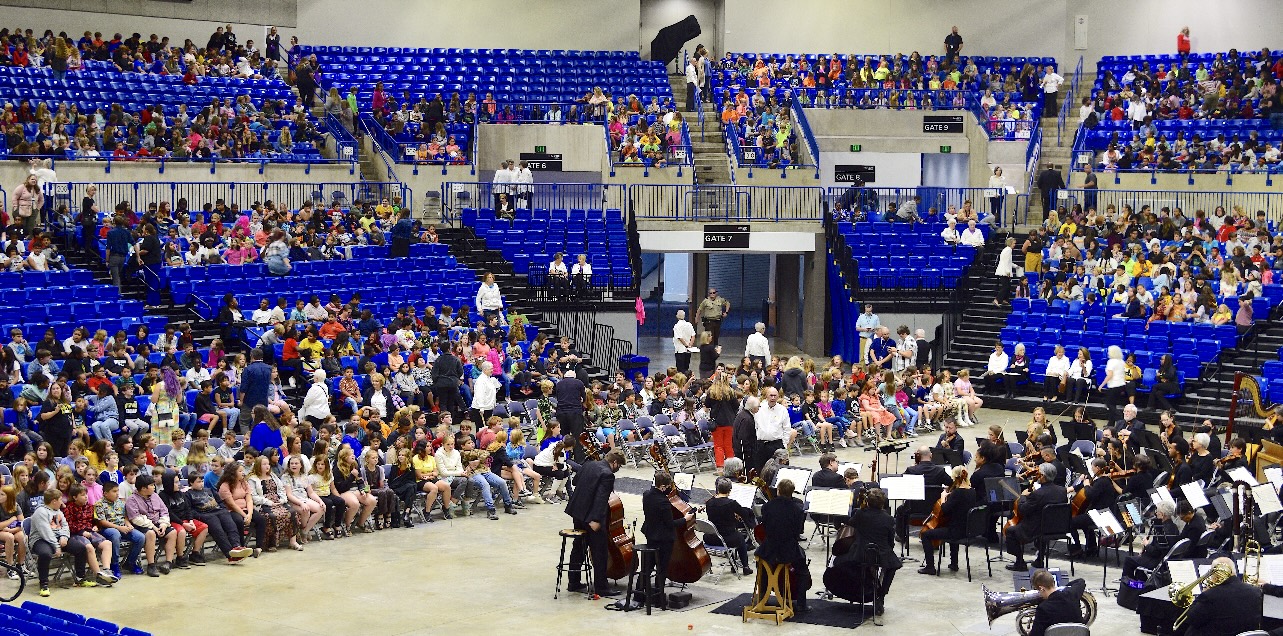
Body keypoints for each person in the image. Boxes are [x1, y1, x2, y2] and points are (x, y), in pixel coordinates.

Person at [564, 448, 625, 597]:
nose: (618, 469)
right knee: (600, 552)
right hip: (591, 516)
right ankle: (601, 587)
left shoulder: (589, 465)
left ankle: (573, 582)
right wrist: (596, 520)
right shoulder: (607, 475)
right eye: (619, 466)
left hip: (577, 511)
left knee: (579, 547)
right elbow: (601, 498)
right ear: (614, 462)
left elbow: (577, 481)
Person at [833, 486, 898, 615]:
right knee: (892, 567)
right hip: (881, 554)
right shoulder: (889, 519)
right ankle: (881, 595)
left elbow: (850, 524)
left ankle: (855, 590)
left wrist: (860, 508)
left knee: (838, 561)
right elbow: (891, 541)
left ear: (868, 502)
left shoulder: (860, 514)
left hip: (861, 554)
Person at [639, 471, 694, 608]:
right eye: (668, 486)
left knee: (647, 566)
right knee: (662, 568)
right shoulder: (663, 502)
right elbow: (670, 524)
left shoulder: (647, 495)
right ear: (663, 486)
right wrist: (685, 519)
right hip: (663, 538)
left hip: (650, 534)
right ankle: (658, 598)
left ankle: (639, 594)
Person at [755, 478, 811, 611]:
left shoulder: (767, 506)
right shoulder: (797, 510)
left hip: (769, 548)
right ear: (792, 492)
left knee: (762, 567)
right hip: (788, 549)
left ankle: (762, 597)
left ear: (778, 491)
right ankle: (802, 604)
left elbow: (766, 526)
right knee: (803, 571)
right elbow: (797, 533)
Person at [1004, 463, 1068, 570]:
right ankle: (1039, 559)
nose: (1036, 476)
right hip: (1057, 527)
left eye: (1038, 474)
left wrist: (1023, 497)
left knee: (1010, 531)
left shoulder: (1038, 494)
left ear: (1042, 476)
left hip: (1037, 528)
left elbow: (1023, 510)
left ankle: (1020, 562)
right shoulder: (1062, 491)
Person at [1182, 556, 1263, 635]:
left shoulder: (1210, 596)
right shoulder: (1255, 591)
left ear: (1215, 574)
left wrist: (1201, 595)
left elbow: (1191, 619)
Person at [703, 477, 756, 575]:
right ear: (730, 490)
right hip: (727, 538)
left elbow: (717, 516)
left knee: (731, 536)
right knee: (740, 538)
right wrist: (736, 514)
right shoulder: (731, 503)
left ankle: (733, 564)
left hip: (711, 538)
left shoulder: (709, 503)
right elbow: (744, 514)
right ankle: (745, 567)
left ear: (718, 489)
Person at [1067, 458, 1116, 558]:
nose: (1092, 470)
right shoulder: (1104, 480)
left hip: (1100, 515)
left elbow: (1090, 496)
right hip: (1100, 513)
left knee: (1070, 522)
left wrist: (1086, 486)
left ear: (1097, 468)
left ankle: (1076, 549)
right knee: (1083, 520)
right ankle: (1091, 547)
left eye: (1092, 467)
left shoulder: (1101, 482)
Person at [1027, 569, 1088, 636]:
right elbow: (1081, 581)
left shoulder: (1043, 608)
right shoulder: (1072, 594)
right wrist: (1064, 588)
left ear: (1042, 588)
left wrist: (1030, 632)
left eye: (1038, 590)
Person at [753, 388, 790, 472]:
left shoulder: (782, 410)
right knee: (760, 470)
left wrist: (784, 444)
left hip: (776, 444)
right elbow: (755, 425)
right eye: (771, 395)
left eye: (775, 396)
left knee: (780, 470)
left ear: (778, 397)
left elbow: (787, 428)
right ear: (766, 396)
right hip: (761, 445)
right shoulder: (759, 408)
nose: (773, 398)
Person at [672, 310, 696, 376]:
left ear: (677, 316)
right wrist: (690, 345)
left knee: (680, 369)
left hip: (680, 350)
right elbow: (693, 335)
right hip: (688, 350)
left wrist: (686, 345)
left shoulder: (677, 326)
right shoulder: (689, 324)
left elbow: (679, 337)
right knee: (686, 367)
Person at [995, 237, 1016, 305]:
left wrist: (1016, 266)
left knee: (1008, 286)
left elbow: (1009, 262)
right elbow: (1006, 262)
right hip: (1004, 272)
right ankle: (997, 300)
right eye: (1014, 243)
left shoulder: (1007, 249)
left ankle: (1005, 299)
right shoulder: (1008, 250)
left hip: (1004, 271)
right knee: (1005, 287)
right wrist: (1008, 272)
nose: (1014, 245)